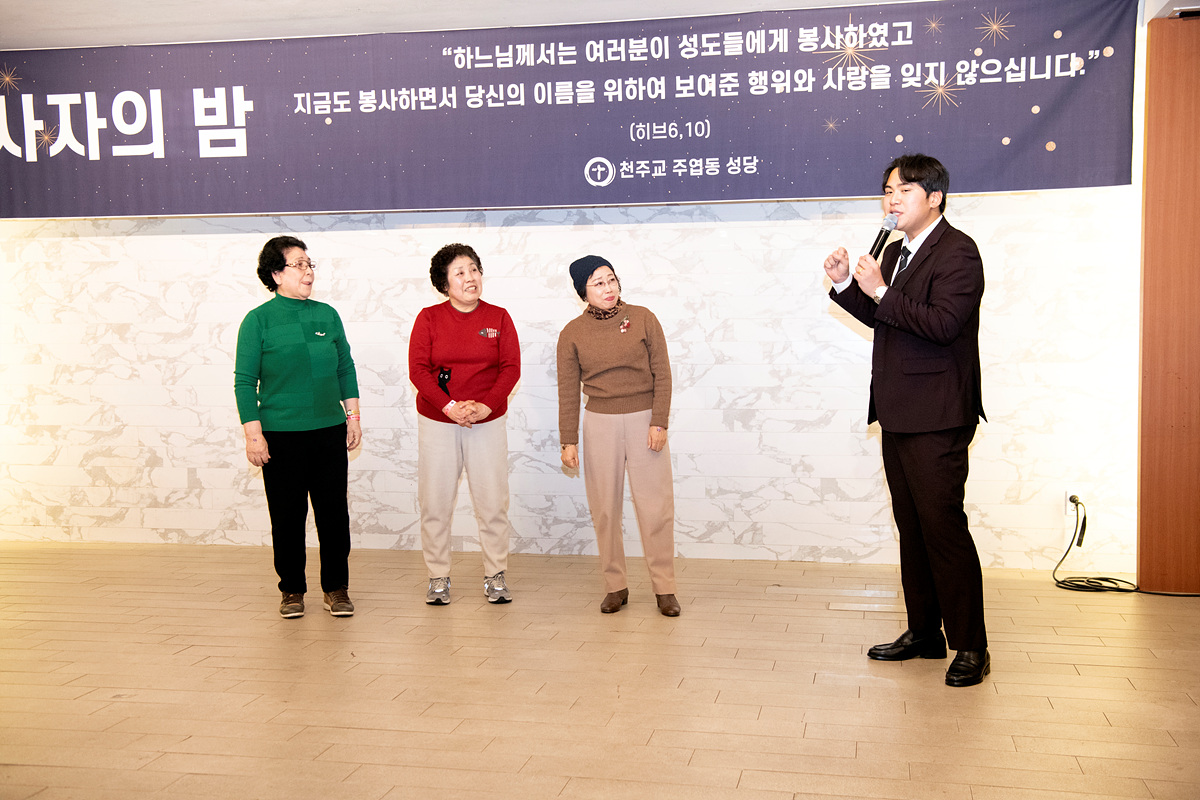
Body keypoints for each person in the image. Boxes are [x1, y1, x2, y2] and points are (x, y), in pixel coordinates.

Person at [823, 153, 989, 686]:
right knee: (912, 528)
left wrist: (879, 289)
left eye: (904, 191)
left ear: (935, 198)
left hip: (938, 413)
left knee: (943, 529)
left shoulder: (958, 251)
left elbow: (942, 325)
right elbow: (885, 317)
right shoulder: (896, 251)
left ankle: (971, 644)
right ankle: (924, 633)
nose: (892, 200)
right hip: (897, 411)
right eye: (888, 191)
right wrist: (847, 284)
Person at [234, 235, 361, 619]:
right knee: (287, 517)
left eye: (310, 264)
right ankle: (291, 590)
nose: (308, 271)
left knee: (333, 515)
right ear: (276, 274)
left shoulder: (327, 315)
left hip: (328, 430)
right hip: (280, 436)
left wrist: (353, 417)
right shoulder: (258, 321)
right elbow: (245, 382)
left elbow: (345, 368)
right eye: (299, 264)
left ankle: (336, 588)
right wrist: (253, 436)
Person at [557, 255, 680, 617]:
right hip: (599, 422)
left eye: (611, 279)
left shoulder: (643, 318)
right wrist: (568, 440)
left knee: (656, 508)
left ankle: (664, 588)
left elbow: (663, 374)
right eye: (598, 283)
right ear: (583, 291)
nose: (608, 288)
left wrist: (659, 422)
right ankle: (615, 586)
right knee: (605, 509)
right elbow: (568, 391)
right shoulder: (572, 333)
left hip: (645, 421)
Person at [408, 243, 520, 605]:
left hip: (487, 421)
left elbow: (511, 368)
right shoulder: (428, 318)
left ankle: (495, 575)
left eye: (474, 269)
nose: (470, 277)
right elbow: (418, 371)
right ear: (444, 283)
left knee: (492, 502)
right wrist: (449, 406)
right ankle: (438, 577)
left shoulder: (499, 317)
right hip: (438, 421)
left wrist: (485, 406)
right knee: (435, 503)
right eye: (460, 272)